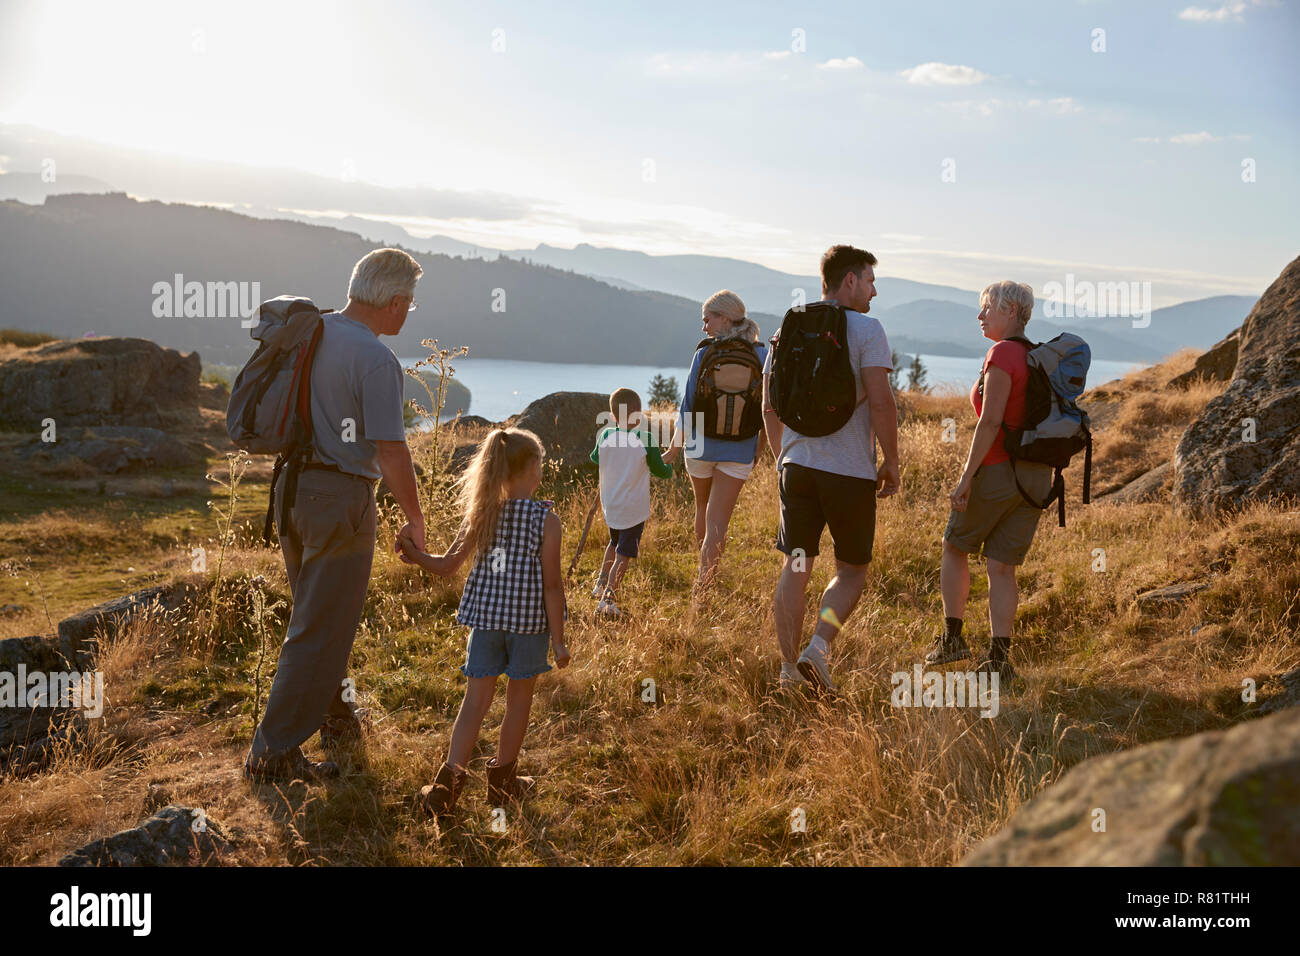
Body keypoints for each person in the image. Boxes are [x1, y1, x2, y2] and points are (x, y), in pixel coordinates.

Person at [245, 248, 426, 784]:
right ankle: (272, 754)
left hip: (292, 490)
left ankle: (339, 723)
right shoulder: (374, 359)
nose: (408, 314)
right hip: (339, 501)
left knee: (318, 615)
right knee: (319, 626)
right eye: (409, 305)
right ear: (394, 302)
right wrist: (415, 519)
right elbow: (391, 450)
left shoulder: (311, 330)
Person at [398, 428, 570, 818]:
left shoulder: (482, 513)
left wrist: (413, 553)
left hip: (486, 624)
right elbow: (553, 586)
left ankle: (445, 790)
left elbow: (445, 565)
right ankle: (503, 786)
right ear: (535, 471)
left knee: (474, 701)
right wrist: (558, 641)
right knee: (518, 701)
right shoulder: (547, 522)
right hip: (528, 629)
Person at [762, 245, 900, 694]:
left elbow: (769, 403)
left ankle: (787, 671)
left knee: (796, 565)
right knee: (852, 570)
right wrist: (891, 460)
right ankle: (818, 648)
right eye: (870, 281)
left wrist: (784, 454)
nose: (874, 292)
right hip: (848, 473)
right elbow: (881, 401)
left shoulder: (790, 327)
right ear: (849, 282)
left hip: (797, 467)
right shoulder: (867, 329)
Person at [925, 280, 1053, 682]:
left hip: (998, 470)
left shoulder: (1001, 353)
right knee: (1002, 567)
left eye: (986, 309)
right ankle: (999, 661)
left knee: (954, 545)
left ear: (1011, 312)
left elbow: (991, 420)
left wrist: (966, 477)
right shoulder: (1038, 356)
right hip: (1036, 478)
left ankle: (952, 638)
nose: (980, 316)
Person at [662, 290, 767, 596]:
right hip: (740, 449)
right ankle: (705, 584)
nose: (704, 327)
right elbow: (768, 409)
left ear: (723, 318)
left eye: (707, 319)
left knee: (702, 507)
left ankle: (703, 572)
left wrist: (674, 448)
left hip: (699, 447)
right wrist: (759, 450)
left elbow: (688, 407)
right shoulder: (761, 355)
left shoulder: (704, 354)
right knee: (718, 519)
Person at [589, 388, 673, 619]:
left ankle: (599, 584)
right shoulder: (646, 439)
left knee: (613, 543)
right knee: (623, 555)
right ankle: (608, 600)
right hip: (632, 510)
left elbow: (595, 458)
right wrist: (670, 465)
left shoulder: (605, 435)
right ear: (639, 414)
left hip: (612, 505)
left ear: (614, 416)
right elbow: (660, 470)